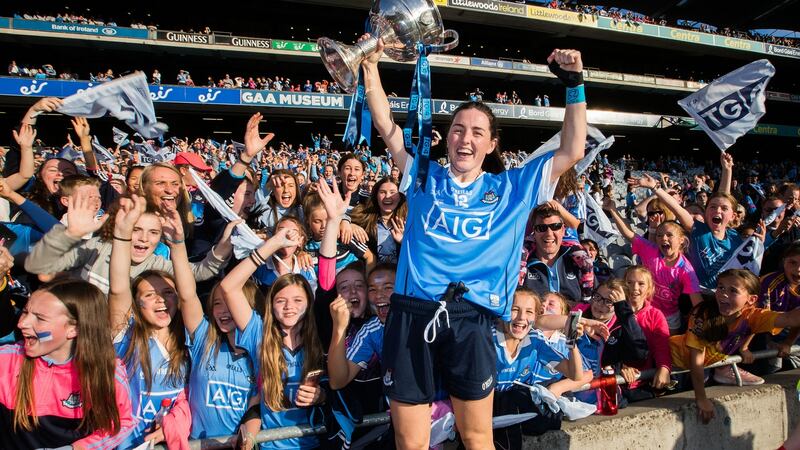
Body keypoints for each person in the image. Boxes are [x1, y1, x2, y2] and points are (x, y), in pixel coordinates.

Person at [360, 32, 587, 449]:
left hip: (472, 319)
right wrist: (369, 65)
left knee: (477, 437)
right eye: (458, 129)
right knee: (410, 442)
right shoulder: (423, 175)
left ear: (491, 143)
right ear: (448, 137)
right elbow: (385, 126)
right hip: (412, 315)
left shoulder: (513, 187)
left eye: (477, 132)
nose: (466, 138)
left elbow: (572, 148)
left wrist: (574, 84)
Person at [220, 229, 325, 450]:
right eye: (281, 301)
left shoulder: (318, 337)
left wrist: (321, 396)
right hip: (272, 446)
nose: (289, 307)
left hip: (314, 443)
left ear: (309, 303)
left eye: (298, 300)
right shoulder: (259, 332)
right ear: (271, 305)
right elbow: (228, 287)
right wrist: (274, 243)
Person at [0, 279, 135, 449]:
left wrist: (76, 448)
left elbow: (121, 424)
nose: (22, 323)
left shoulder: (106, 373)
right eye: (25, 312)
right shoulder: (7, 360)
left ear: (74, 329)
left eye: (40, 319)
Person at [108, 195, 191, 449]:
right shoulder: (126, 334)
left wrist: (177, 243)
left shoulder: (188, 339)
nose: (161, 300)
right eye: (149, 294)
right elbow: (118, 288)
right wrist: (122, 235)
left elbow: (188, 291)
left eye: (167, 293)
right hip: (123, 443)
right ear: (136, 303)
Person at [670, 269, 800, 424]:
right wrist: (701, 399)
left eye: (733, 291)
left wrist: (744, 347)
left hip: (710, 364)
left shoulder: (752, 315)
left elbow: (790, 319)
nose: (724, 294)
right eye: (720, 287)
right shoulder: (702, 314)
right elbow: (696, 360)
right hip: (677, 363)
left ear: (751, 299)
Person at [170, 217, 259, 440]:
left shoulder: (259, 349)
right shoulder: (204, 339)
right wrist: (178, 244)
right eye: (217, 303)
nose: (223, 310)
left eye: (230, 303)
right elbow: (187, 294)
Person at [605, 201, 703, 333]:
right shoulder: (650, 250)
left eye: (669, 235)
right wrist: (613, 210)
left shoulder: (686, 270)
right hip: (644, 309)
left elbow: (697, 302)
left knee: (666, 347)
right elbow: (628, 233)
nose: (663, 238)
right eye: (659, 235)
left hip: (670, 317)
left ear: (681, 240)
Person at [618, 266, 672, 400]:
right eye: (629, 282)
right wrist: (620, 366)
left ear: (649, 289)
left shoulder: (655, 315)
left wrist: (664, 368)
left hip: (644, 381)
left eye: (641, 284)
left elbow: (662, 346)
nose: (634, 288)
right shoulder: (614, 311)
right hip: (618, 381)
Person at [349, 176, 407, 264]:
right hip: (371, 273)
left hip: (399, 275)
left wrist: (404, 241)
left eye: (392, 192)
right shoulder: (363, 214)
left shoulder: (409, 220)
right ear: (376, 196)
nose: (387, 196)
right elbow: (335, 218)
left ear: (400, 197)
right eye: (382, 192)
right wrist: (348, 224)